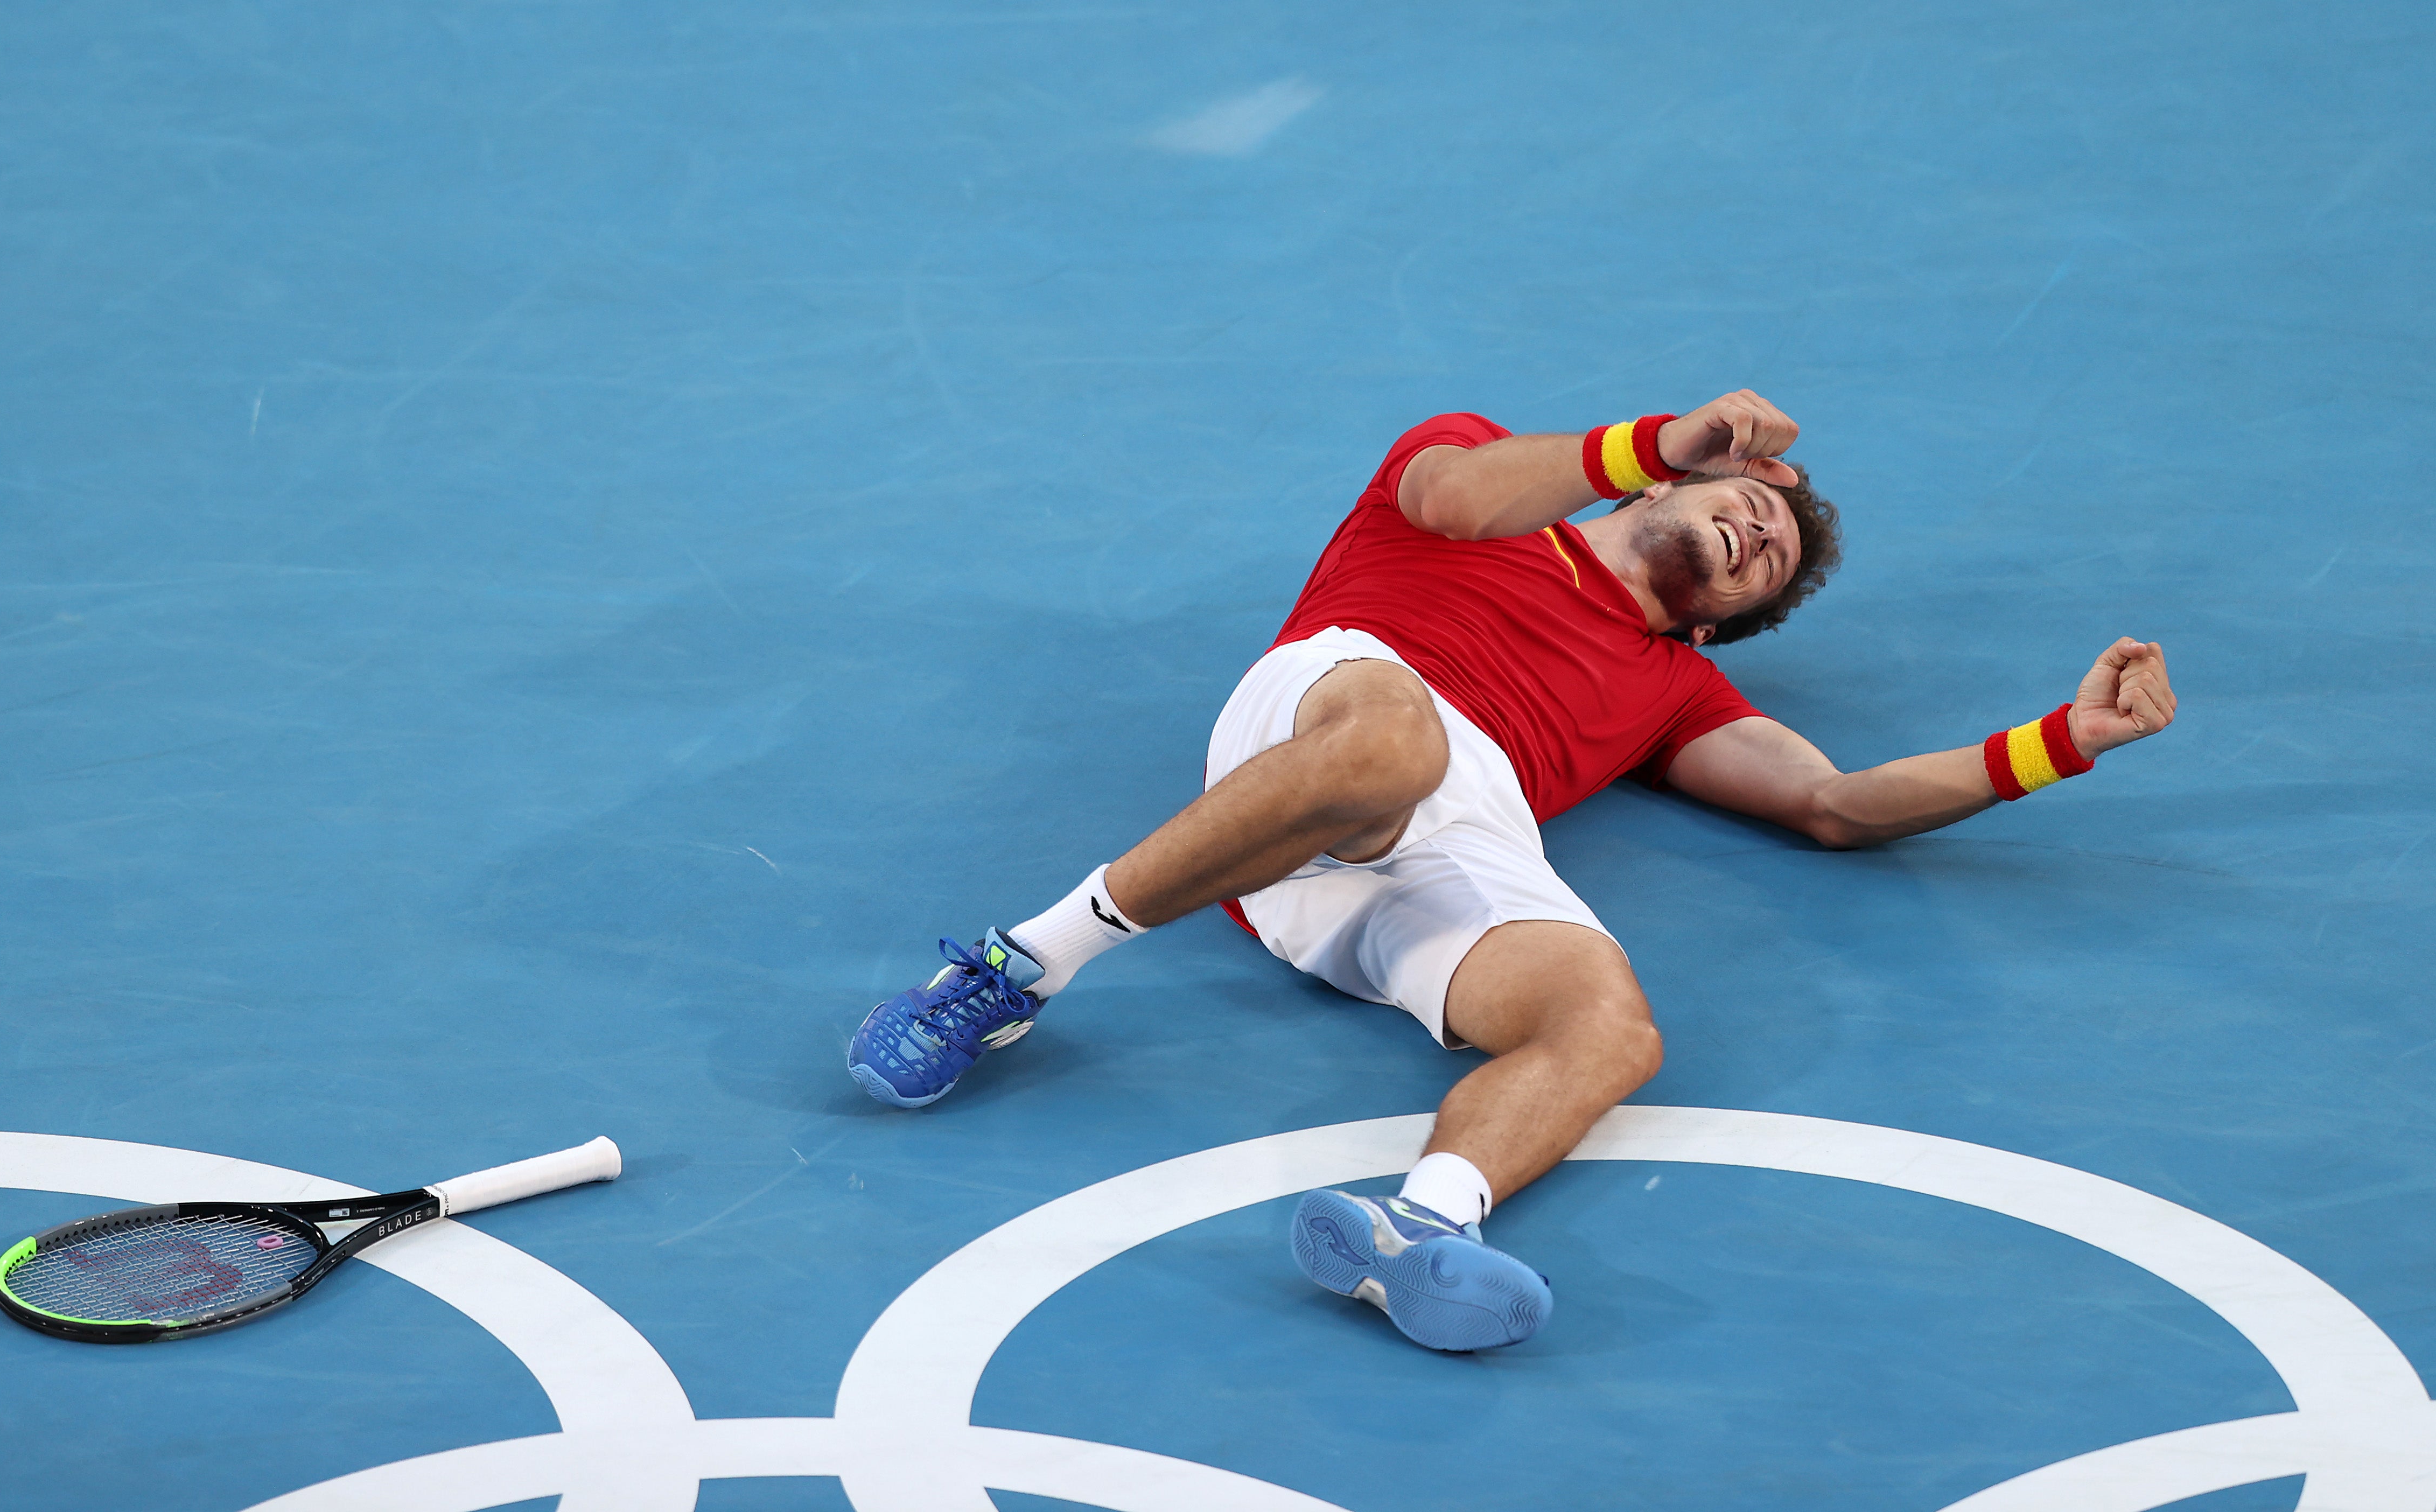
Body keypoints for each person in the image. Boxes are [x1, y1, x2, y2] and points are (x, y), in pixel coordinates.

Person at [845, 391, 2178, 1352]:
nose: (1755, 535)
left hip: (1436, 847)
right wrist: (1660, 432)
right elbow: (1458, 492)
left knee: (1608, 1021)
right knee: (1397, 741)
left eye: (1766, 562)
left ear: (1724, 620)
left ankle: (1419, 1232)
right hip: (1337, 711)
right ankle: (1017, 966)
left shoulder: (1672, 690)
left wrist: (2062, 744)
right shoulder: (1471, 487)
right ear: (1661, 485)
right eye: (1749, 506)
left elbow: (1832, 803)